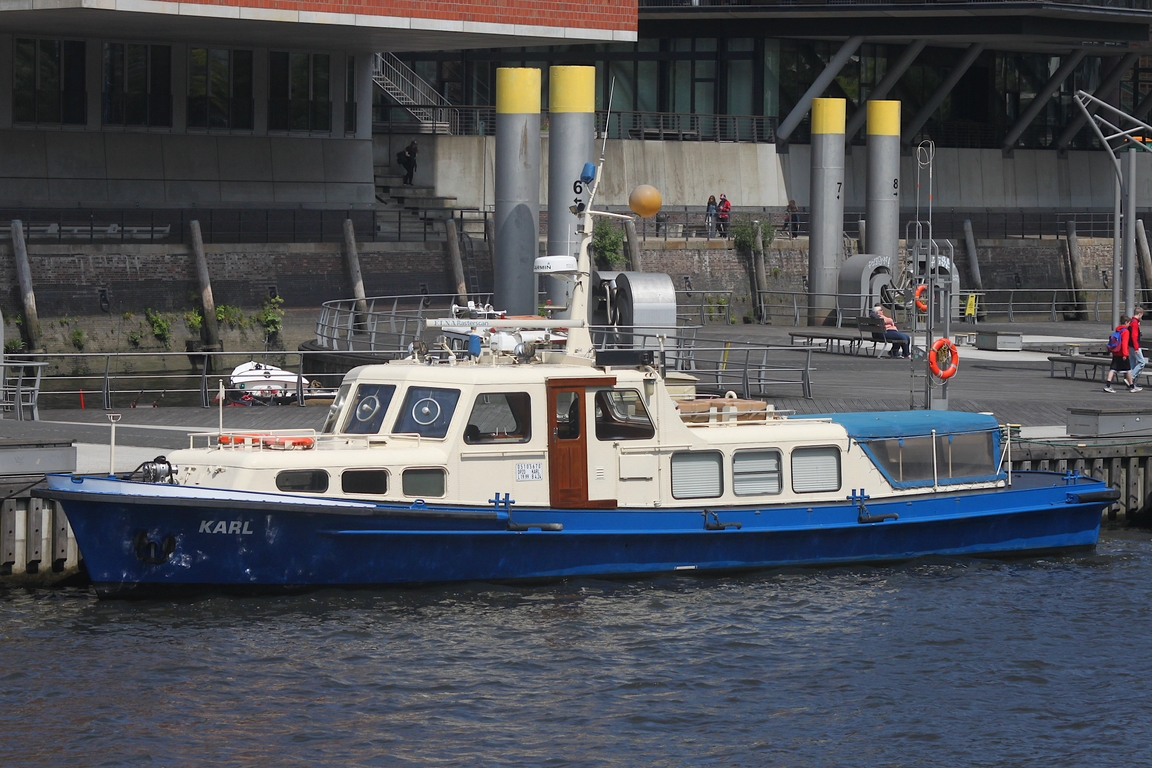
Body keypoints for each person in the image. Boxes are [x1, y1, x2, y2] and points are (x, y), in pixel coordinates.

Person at [1105, 315, 1142, 392]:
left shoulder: (1118, 330)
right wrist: (1125, 354)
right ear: (1126, 322)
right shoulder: (1125, 331)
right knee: (1128, 370)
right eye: (1129, 323)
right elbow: (1124, 344)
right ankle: (1132, 386)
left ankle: (1107, 385)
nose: (1129, 325)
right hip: (1122, 353)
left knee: (1112, 369)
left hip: (1115, 352)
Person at [1130, 307, 1146, 383]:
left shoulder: (1131, 321)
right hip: (1135, 346)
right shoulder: (1135, 323)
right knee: (1142, 362)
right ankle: (1131, 378)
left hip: (1130, 346)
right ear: (1139, 314)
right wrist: (1136, 348)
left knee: (1132, 364)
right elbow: (1134, 336)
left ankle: (1131, 383)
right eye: (1141, 315)